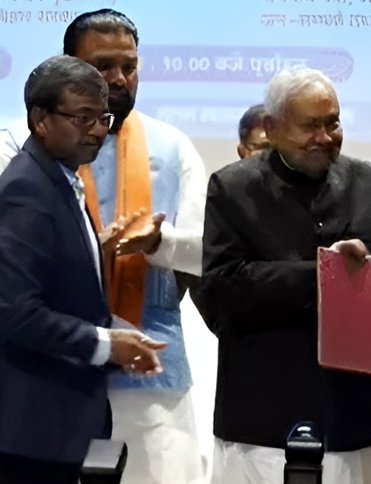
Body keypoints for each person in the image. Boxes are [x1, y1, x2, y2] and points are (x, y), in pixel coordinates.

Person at [197, 67, 371, 484]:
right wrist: (324, 276)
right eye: (310, 126)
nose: (324, 137)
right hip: (260, 423)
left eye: (333, 123)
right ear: (271, 128)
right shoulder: (232, 188)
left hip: (352, 419)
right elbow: (221, 293)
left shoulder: (370, 184)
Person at [0, 55, 165, 484]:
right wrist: (106, 344)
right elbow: (14, 312)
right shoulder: (25, 190)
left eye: (103, 118)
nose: (96, 130)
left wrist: (118, 334)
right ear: (40, 120)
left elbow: (65, 293)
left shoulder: (58, 179)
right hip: (32, 433)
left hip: (56, 427)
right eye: (83, 118)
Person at [63, 9, 207, 483]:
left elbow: (209, 252)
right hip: (57, 371)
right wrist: (86, 250)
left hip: (152, 378)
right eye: (103, 66)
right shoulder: (30, 147)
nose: (119, 78)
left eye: (129, 66)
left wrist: (160, 242)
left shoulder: (173, 146)